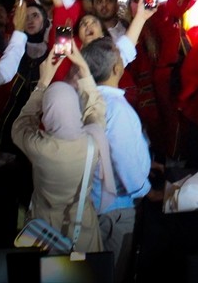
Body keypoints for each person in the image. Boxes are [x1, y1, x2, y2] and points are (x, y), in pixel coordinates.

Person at [11, 43, 114, 254]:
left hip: (44, 230)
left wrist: (42, 84)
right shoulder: (93, 142)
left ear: (47, 114)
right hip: (82, 229)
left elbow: (20, 125)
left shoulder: (39, 147)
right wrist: (84, 70)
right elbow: (96, 109)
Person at [81, 37, 151, 283]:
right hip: (114, 211)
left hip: (88, 205)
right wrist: (146, 189)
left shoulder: (83, 100)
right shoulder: (116, 108)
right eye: (120, 58)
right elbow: (127, 168)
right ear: (116, 69)